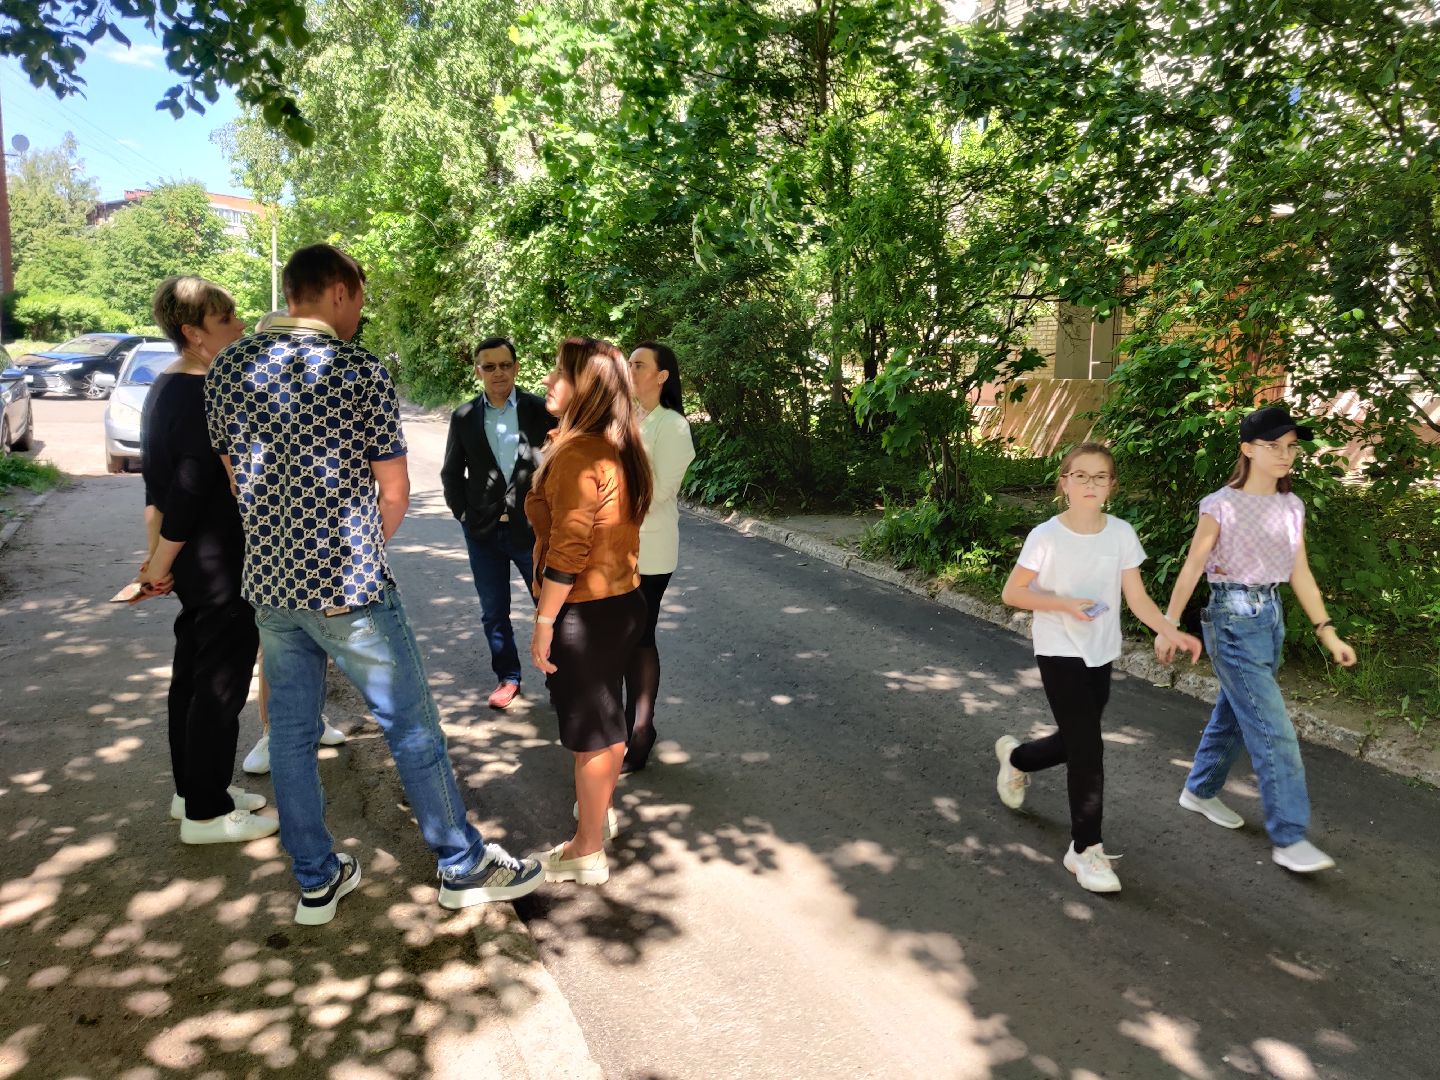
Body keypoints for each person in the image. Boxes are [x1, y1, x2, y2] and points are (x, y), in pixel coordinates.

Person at [205, 243, 542, 925]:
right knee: (413, 727)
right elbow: (394, 490)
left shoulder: (228, 368)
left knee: (292, 736)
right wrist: (357, 547)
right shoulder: (356, 369)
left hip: (271, 586)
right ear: (334, 292)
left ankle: (316, 880)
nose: (361, 310)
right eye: (358, 296)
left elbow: (237, 481)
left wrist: (281, 541)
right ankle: (461, 864)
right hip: (349, 586)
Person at [1158, 405, 1357, 874]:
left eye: (1292, 446)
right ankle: (1289, 837)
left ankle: (1199, 790)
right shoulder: (1220, 504)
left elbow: (1299, 571)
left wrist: (1327, 630)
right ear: (1248, 449)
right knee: (1274, 730)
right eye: (1274, 445)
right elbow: (1192, 567)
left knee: (1236, 710)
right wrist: (1168, 624)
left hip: (1270, 616)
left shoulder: (1291, 505)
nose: (1287, 454)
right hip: (1230, 615)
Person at [996, 442, 1202, 894]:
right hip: (1058, 649)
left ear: (1112, 486)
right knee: (1089, 750)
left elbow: (1137, 597)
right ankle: (1085, 849)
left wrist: (1168, 629)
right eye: (1081, 475)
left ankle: (1016, 758)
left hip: (1101, 650)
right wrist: (1065, 605)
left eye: (1100, 476)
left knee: (1076, 741)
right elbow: (1014, 592)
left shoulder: (1121, 534)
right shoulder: (1046, 536)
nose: (1090, 484)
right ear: (1064, 482)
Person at [139, 276, 277, 845]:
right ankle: (206, 813)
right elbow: (189, 490)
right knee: (218, 683)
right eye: (228, 321)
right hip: (218, 562)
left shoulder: (164, 387)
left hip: (196, 562)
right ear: (194, 333)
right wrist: (159, 562)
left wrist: (156, 559)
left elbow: (155, 485)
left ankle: (194, 789)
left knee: (191, 678)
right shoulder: (200, 394)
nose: (241, 327)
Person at [526, 337, 652, 886]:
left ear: (590, 387)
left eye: (561, 372)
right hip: (623, 601)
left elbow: (568, 550)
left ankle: (586, 848)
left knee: (591, 733)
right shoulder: (617, 446)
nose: (550, 381)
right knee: (607, 724)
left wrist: (545, 622)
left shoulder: (580, 455)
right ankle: (596, 817)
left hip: (585, 610)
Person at [441, 336, 557, 710]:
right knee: (494, 612)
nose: (498, 373)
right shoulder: (463, 417)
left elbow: (560, 467)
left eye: (505, 365)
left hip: (532, 532)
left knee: (548, 606)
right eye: (489, 366)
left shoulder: (542, 411)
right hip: (483, 533)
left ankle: (560, 680)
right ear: (478, 371)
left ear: (516, 367)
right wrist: (464, 515)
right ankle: (508, 678)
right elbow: (451, 473)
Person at [621, 342, 695, 773]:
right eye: (629, 363)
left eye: (639, 364)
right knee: (619, 640)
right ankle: (622, 728)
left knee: (640, 637)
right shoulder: (625, 419)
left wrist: (607, 500)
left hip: (651, 548)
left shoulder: (673, 426)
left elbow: (662, 490)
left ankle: (641, 730)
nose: (630, 369)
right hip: (615, 548)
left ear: (662, 375)